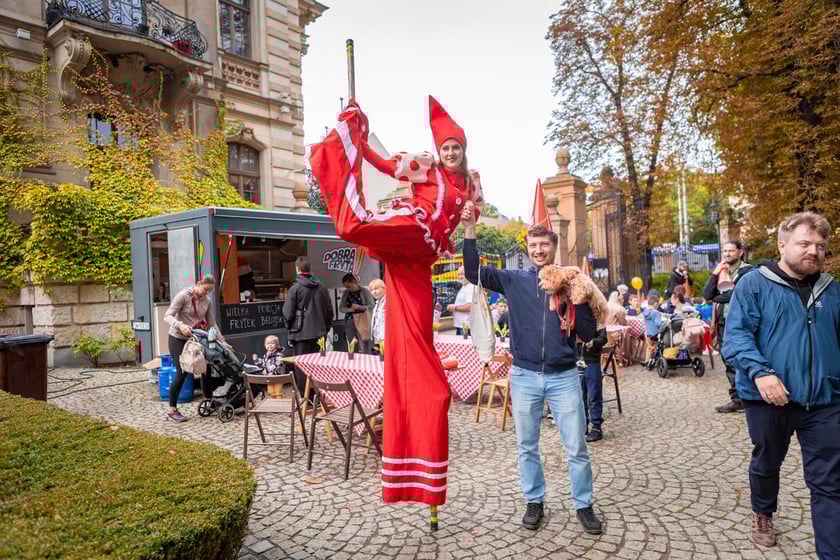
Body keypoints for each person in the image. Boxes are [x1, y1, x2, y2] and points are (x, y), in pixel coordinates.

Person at [308, 96, 484, 505]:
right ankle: (340, 143)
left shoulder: (472, 182)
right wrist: (359, 139)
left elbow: (469, 215)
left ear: (464, 148)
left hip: (421, 258)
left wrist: (471, 223)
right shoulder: (426, 166)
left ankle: (424, 423)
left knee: (417, 338)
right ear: (439, 151)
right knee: (353, 225)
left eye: (456, 147)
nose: (451, 153)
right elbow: (385, 165)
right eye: (446, 148)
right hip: (412, 228)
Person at [463, 215, 602, 535]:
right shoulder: (513, 280)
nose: (539, 250)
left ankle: (584, 505)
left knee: (577, 447)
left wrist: (576, 297)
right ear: (527, 249)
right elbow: (473, 273)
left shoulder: (571, 281)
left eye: (544, 245)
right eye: (533, 245)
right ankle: (534, 501)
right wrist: (470, 231)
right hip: (524, 375)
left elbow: (588, 332)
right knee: (527, 445)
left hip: (564, 376)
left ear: (554, 248)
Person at [723, 212, 840, 556]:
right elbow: (737, 337)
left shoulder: (832, 291)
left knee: (830, 485)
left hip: (824, 400)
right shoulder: (754, 284)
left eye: (820, 245)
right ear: (782, 244)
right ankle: (763, 511)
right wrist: (761, 373)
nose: (813, 251)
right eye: (804, 243)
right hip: (768, 399)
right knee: (767, 461)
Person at [163, 274, 222, 423]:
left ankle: (209, 402)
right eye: (205, 289)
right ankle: (172, 410)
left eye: (209, 290)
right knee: (182, 372)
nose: (206, 293)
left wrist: (222, 341)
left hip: (195, 340)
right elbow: (167, 316)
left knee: (205, 368)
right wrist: (180, 325)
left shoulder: (206, 301)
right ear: (198, 284)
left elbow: (212, 323)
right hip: (178, 338)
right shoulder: (183, 296)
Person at [704, 240, 754, 413]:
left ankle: (750, 396)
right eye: (724, 251)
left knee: (743, 358)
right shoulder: (721, 273)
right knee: (728, 360)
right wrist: (714, 273)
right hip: (723, 322)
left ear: (740, 252)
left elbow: (736, 295)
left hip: (741, 322)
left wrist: (718, 297)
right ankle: (737, 398)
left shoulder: (748, 271)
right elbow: (707, 294)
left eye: (731, 251)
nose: (726, 254)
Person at [282, 256, 333, 397]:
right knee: (317, 366)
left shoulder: (295, 289)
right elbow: (330, 311)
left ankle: (307, 399)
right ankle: (317, 396)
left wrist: (289, 327)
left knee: (301, 368)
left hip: (300, 335)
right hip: (319, 334)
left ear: (297, 269)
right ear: (310, 269)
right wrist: (325, 328)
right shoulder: (322, 287)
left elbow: (287, 313)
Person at [580, 326, 609, 442]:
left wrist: (592, 342)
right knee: (580, 395)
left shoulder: (597, 319)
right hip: (577, 361)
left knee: (594, 395)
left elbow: (603, 338)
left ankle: (596, 428)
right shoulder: (573, 315)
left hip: (592, 361)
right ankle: (583, 424)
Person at [339, 273, 375, 354]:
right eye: (346, 287)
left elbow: (372, 305)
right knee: (351, 345)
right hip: (350, 321)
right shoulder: (346, 293)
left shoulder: (364, 291)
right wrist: (350, 309)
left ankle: (366, 362)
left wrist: (359, 307)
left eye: (349, 286)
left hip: (363, 321)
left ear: (354, 282)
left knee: (364, 344)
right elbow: (341, 308)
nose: (348, 289)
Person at [448, 266, 475, 335]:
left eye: (462, 274)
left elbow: (470, 306)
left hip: (467, 327)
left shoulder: (471, 287)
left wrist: (455, 308)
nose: (460, 276)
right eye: (458, 274)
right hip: (461, 325)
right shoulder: (464, 286)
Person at [642, 292, 662, 363]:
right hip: (655, 333)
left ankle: (647, 361)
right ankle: (656, 361)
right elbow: (658, 323)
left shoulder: (645, 311)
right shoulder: (656, 312)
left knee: (649, 347)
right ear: (655, 304)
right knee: (657, 346)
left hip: (647, 333)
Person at [369, 278, 386, 350]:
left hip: (386, 338)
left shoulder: (389, 301)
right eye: (372, 290)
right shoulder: (377, 303)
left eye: (376, 289)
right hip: (378, 338)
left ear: (384, 288)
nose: (374, 292)